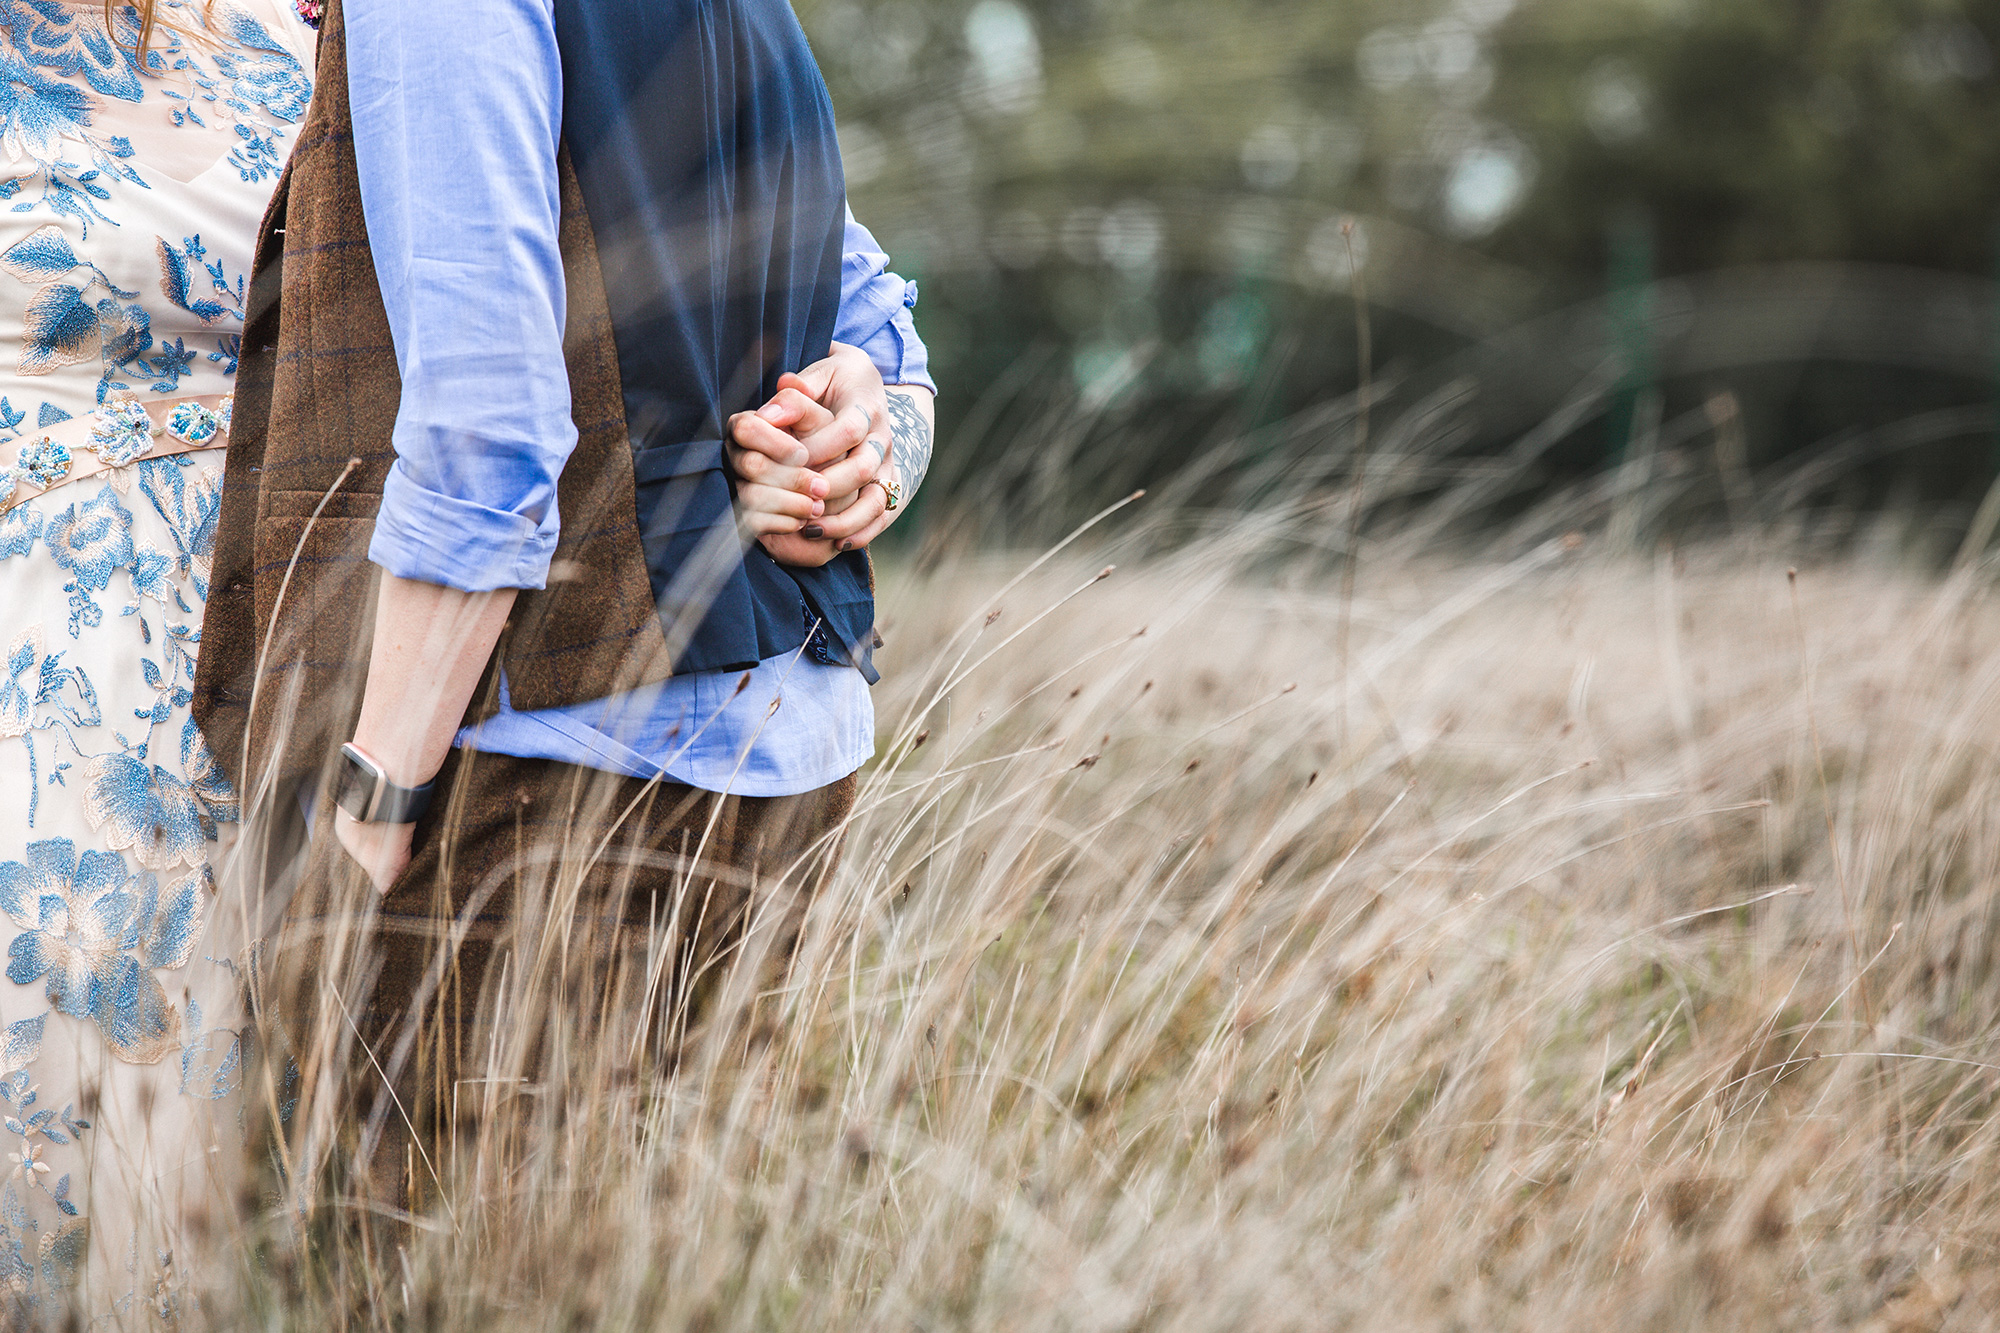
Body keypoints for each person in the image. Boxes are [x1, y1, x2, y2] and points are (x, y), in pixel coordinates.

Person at [188, 0, 936, 1205]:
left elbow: (488, 438)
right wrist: (874, 447)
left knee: (391, 1264)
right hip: (791, 745)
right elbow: (879, 335)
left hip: (543, 768)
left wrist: (376, 795)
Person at [0, 0, 317, 1316]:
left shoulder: (342, 21)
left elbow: (805, 258)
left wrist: (871, 404)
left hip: (305, 685)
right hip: (43, 684)